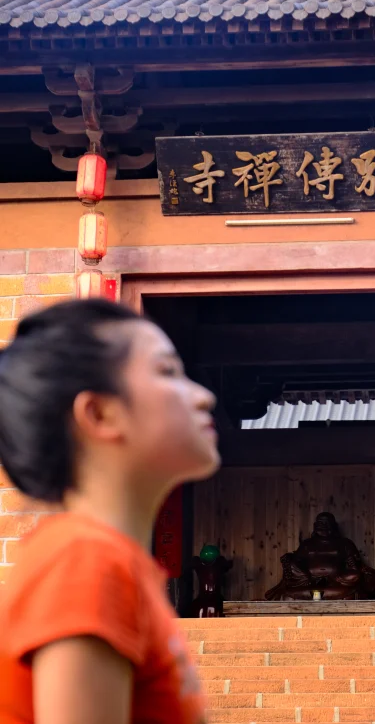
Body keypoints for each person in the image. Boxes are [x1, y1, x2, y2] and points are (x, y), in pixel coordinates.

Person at [0, 298, 220, 724]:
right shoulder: (86, 561)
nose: (204, 396)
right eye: (168, 372)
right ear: (100, 414)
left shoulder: (111, 562)